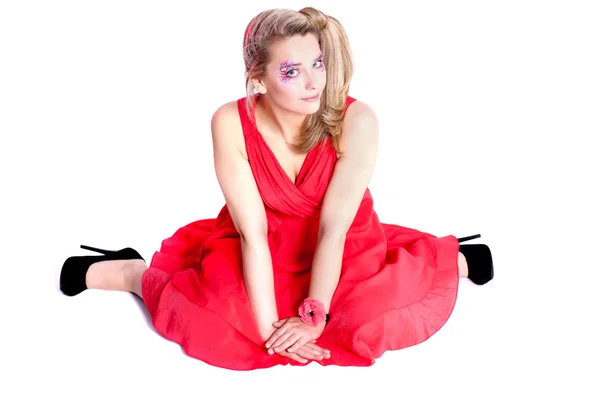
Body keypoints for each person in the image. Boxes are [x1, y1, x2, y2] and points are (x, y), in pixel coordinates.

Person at [59, 6, 494, 371]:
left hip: (342, 244)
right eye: (291, 71)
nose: (313, 83)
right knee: (220, 329)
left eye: (318, 63)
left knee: (364, 323)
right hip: (259, 243)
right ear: (259, 79)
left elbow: (333, 230)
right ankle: (131, 273)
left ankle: (449, 261)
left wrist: (314, 316)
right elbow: (252, 234)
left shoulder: (357, 120)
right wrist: (269, 330)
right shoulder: (229, 122)